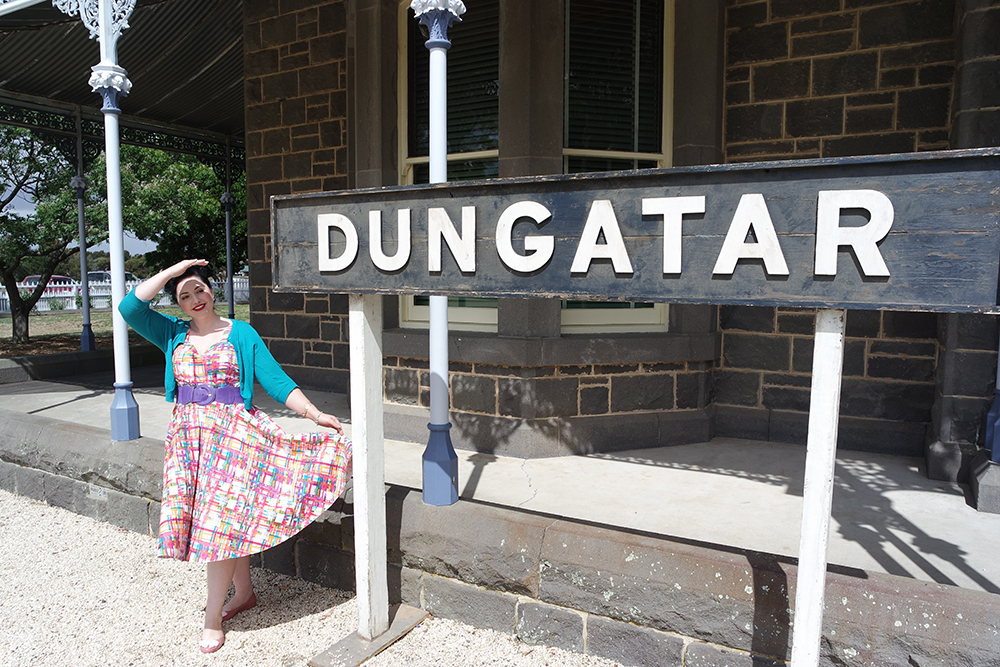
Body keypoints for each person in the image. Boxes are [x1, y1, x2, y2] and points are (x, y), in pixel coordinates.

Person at [119, 258, 352, 654]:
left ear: (213, 290)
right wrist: (175, 270)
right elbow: (129, 308)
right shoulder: (172, 333)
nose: (195, 298)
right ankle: (243, 592)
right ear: (176, 301)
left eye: (200, 289)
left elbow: (276, 380)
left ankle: (211, 617)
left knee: (219, 526)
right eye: (184, 294)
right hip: (189, 441)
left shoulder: (241, 333)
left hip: (234, 440)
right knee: (224, 523)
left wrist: (315, 414)